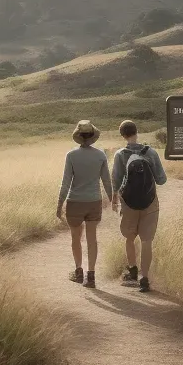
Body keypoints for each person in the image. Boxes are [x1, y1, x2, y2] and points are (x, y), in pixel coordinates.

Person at [111, 119, 167, 292]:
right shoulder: (151, 152)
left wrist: (115, 199)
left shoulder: (120, 154)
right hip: (150, 203)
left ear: (122, 135)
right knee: (147, 241)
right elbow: (162, 180)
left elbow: (116, 181)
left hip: (128, 203)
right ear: (137, 132)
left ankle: (132, 270)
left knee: (129, 237)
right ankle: (145, 278)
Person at [57, 120, 113, 289]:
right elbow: (107, 181)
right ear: (93, 136)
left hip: (75, 202)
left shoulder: (71, 155)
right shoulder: (100, 155)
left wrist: (59, 205)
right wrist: (113, 201)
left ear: (78, 136)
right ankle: (91, 276)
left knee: (76, 238)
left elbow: (65, 183)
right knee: (92, 238)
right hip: (94, 201)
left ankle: (78, 271)